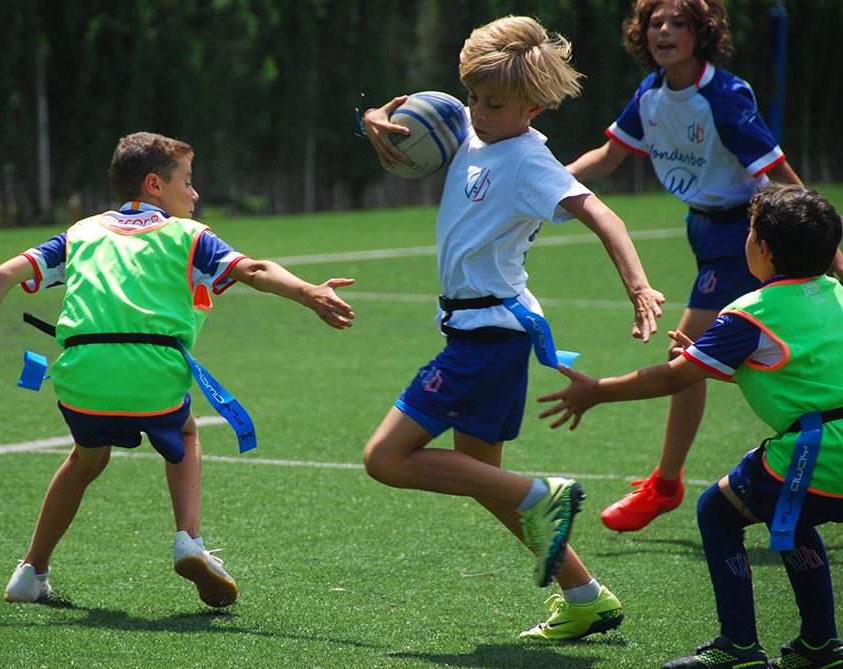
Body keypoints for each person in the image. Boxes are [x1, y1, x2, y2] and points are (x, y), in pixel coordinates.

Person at [0, 131, 355, 608]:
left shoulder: (80, 233)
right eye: (188, 181)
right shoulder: (188, 236)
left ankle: (30, 572)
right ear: (154, 185)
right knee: (184, 431)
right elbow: (254, 271)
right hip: (154, 376)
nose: (195, 194)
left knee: (86, 459)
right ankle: (189, 541)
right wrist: (308, 292)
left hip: (81, 379)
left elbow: (2, 275)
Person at [359, 15, 666, 640]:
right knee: (484, 480)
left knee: (384, 458)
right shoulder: (468, 127)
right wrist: (373, 122)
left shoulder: (529, 159)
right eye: (473, 96)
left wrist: (638, 286)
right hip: (481, 332)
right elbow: (415, 124)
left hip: (488, 336)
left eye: (494, 104)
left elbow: (602, 215)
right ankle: (585, 596)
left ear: (534, 107)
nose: (478, 111)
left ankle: (541, 492)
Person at [565, 0, 843, 533]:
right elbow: (607, 156)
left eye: (678, 23)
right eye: (655, 23)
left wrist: (826, 250)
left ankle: (666, 484)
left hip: (748, 232)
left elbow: (780, 173)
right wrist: (549, 179)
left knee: (686, 356)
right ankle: (671, 481)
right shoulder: (650, 93)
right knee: (698, 354)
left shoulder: (723, 95)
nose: (664, 32)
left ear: (703, 33)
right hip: (704, 228)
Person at [539, 183, 843, 669]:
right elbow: (797, 370)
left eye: (750, 232)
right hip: (828, 446)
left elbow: (672, 379)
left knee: (718, 511)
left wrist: (597, 390)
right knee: (789, 511)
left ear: (764, 249)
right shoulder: (834, 293)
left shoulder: (752, 313)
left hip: (819, 453)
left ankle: (738, 645)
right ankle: (820, 644)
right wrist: (705, 358)